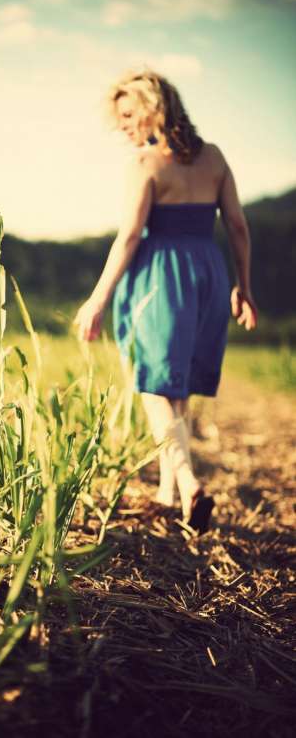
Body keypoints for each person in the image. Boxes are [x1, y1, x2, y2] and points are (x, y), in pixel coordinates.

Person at [73, 67, 257, 534]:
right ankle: (168, 491)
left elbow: (131, 234)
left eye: (131, 114)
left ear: (155, 108)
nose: (124, 127)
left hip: (161, 277)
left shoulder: (145, 166)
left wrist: (97, 299)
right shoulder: (214, 157)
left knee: (154, 385)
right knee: (176, 388)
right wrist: (244, 287)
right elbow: (237, 225)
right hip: (209, 275)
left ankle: (191, 485)